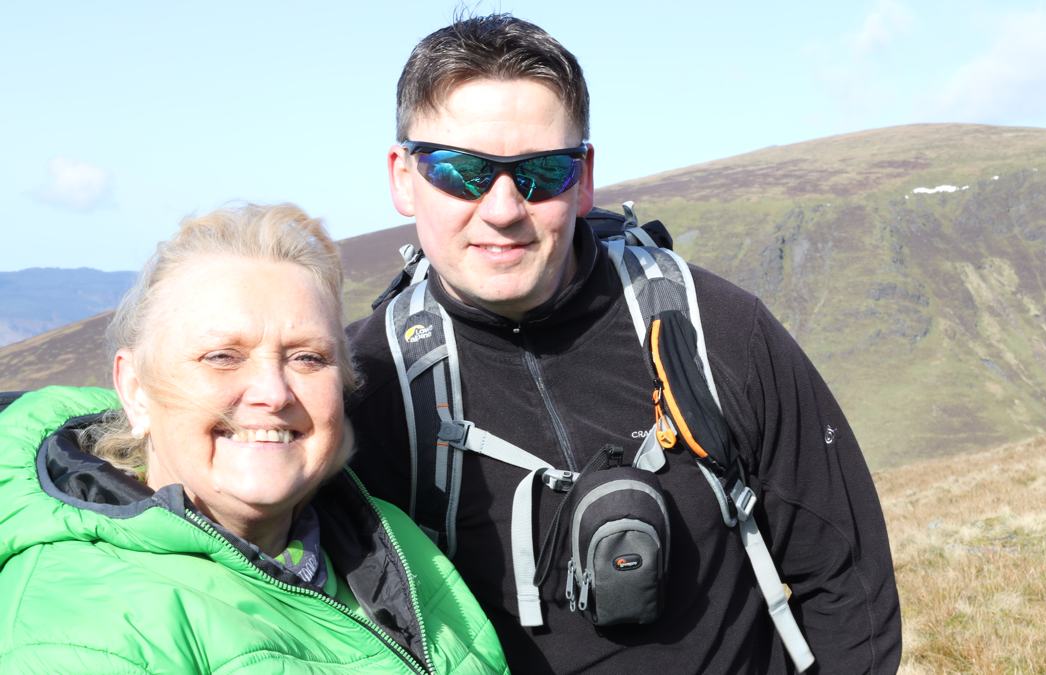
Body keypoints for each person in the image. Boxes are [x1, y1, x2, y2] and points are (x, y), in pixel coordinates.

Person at [347, 14, 901, 674]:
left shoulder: (717, 329)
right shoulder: (365, 388)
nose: (502, 209)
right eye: (461, 171)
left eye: (541, 171)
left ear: (583, 177)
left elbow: (847, 582)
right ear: (403, 177)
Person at [0, 204, 508, 674]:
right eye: (222, 356)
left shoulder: (388, 539)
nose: (273, 392)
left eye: (307, 357)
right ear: (136, 390)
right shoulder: (86, 632)